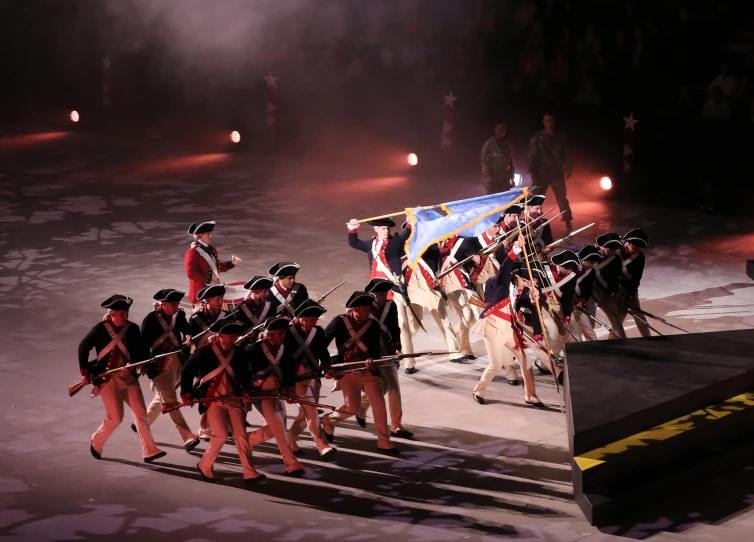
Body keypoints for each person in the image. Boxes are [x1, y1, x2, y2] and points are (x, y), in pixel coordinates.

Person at [78, 295, 166, 462]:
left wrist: (139, 363)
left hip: (128, 377)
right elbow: (83, 348)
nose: (125, 318)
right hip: (107, 379)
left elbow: (141, 351)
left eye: (126, 314)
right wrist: (84, 373)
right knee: (116, 417)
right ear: (112, 313)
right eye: (121, 314)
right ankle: (96, 440)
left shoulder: (132, 329)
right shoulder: (100, 329)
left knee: (141, 414)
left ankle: (150, 450)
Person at [180, 317, 264, 484]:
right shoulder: (204, 351)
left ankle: (249, 471)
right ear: (220, 336)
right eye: (231, 336)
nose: (235, 339)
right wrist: (186, 392)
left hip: (233, 399)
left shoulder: (239, 352)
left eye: (235, 336)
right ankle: (204, 464)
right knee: (221, 435)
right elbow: (187, 370)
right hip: (213, 400)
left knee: (241, 435)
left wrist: (247, 389)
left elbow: (245, 374)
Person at [322, 291, 399, 455]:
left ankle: (384, 442)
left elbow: (375, 350)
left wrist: (372, 360)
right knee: (352, 408)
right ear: (354, 309)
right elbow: (321, 344)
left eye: (368, 308)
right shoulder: (339, 322)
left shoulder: (373, 325)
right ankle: (328, 420)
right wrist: (327, 365)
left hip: (368, 372)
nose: (368, 312)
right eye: (365, 309)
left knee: (379, 404)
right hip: (348, 371)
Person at [472, 236, 544, 405]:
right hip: (492, 327)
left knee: (525, 361)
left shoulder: (523, 289)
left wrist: (535, 299)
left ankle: (530, 395)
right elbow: (505, 268)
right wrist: (516, 249)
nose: (525, 284)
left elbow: (534, 306)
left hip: (509, 328)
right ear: (515, 276)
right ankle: (479, 389)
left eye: (528, 281)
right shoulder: (502, 283)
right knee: (495, 365)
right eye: (523, 280)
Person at [347, 217, 415, 367]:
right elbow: (354, 242)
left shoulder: (395, 242)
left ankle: (409, 362)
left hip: (394, 289)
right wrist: (353, 228)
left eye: (388, 229)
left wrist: (410, 220)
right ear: (376, 229)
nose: (387, 231)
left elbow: (406, 234)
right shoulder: (370, 244)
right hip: (376, 290)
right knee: (373, 324)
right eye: (383, 228)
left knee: (401, 324)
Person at [139, 288, 200, 452]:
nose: (176, 306)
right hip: (159, 366)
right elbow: (143, 345)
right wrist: (144, 364)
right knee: (171, 399)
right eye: (173, 304)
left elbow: (187, 329)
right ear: (163, 304)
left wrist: (188, 336)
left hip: (177, 362)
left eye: (177, 303)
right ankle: (187, 437)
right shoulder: (150, 320)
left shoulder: (177, 315)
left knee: (163, 397)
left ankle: (142, 423)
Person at [246, 316, 307, 475]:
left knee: (278, 428)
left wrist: (289, 390)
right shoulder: (253, 350)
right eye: (280, 333)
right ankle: (291, 463)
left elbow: (289, 373)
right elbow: (244, 376)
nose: (283, 336)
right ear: (269, 334)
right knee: (279, 425)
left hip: (276, 393)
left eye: (284, 333)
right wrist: (256, 384)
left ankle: (249, 440)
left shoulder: (285, 348)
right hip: (260, 395)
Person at [357, 278, 414, 439]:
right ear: (371, 294)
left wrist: (398, 346)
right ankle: (362, 405)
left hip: (388, 351)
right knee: (381, 389)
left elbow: (395, 328)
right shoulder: (363, 308)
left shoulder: (391, 305)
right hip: (371, 354)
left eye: (383, 294)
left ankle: (396, 424)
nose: (381, 297)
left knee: (394, 388)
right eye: (378, 294)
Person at [285, 300, 337, 458]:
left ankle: (289, 440)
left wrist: (327, 366)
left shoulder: (317, 331)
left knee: (307, 413)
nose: (313, 323)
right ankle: (323, 446)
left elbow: (323, 352)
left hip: (313, 377)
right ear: (301, 318)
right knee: (312, 411)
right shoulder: (286, 332)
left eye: (315, 319)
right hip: (296, 379)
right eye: (311, 319)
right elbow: (283, 358)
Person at [186, 284, 228, 440]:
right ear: (208, 300)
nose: (220, 301)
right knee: (206, 394)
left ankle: (225, 424)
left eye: (221, 298)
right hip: (205, 361)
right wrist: (189, 339)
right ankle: (204, 428)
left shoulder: (227, 315)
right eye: (217, 299)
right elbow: (189, 334)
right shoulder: (196, 319)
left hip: (224, 359)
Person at [438, 235, 484, 361]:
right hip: (448, 283)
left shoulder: (464, 242)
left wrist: (477, 261)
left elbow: (473, 260)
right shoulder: (435, 243)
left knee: (477, 313)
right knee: (466, 312)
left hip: (465, 281)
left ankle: (457, 333)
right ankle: (465, 348)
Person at [529, 113, 574, 233]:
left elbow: (566, 153)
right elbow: (532, 156)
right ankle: (533, 226)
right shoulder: (538, 137)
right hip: (541, 174)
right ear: (544, 122)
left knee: (562, 199)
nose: (549, 123)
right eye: (547, 120)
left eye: (551, 120)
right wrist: (533, 173)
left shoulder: (560, 136)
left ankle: (568, 225)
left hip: (556, 173)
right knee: (536, 200)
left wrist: (568, 168)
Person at [184, 221, 239, 306]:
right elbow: (191, 273)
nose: (211, 236)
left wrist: (231, 263)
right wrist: (209, 281)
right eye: (208, 234)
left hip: (212, 290)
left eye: (211, 233)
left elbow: (216, 267)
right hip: (200, 294)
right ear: (199, 236)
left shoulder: (212, 249)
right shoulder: (192, 252)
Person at [590, 233, 627, 339]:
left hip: (605, 295)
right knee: (589, 324)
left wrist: (614, 293)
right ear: (604, 246)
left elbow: (615, 279)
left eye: (615, 249)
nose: (613, 252)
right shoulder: (589, 253)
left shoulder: (616, 260)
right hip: (589, 294)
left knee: (617, 323)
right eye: (611, 249)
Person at [617, 228, 651, 337]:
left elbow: (636, 278)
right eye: (634, 247)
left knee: (639, 316)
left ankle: (648, 339)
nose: (636, 250)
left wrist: (628, 295)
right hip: (613, 288)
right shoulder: (616, 251)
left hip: (629, 289)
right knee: (617, 321)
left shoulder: (640, 257)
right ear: (627, 243)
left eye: (639, 248)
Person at [543, 250, 581, 344]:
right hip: (542, 303)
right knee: (552, 330)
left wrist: (567, 316)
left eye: (571, 269)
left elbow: (568, 297)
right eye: (567, 269)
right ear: (560, 265)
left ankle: (555, 354)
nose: (569, 272)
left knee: (566, 331)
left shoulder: (572, 276)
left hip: (558, 304)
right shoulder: (544, 268)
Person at [230, 275, 273, 345]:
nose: (267, 294)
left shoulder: (270, 306)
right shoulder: (241, 309)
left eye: (268, 291)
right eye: (265, 291)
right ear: (256, 291)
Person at [571, 245, 600, 341]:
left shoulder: (590, 272)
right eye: (590, 263)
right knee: (575, 336)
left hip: (578, 306)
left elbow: (588, 289)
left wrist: (581, 301)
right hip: (565, 306)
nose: (591, 265)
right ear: (582, 260)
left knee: (589, 330)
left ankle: (596, 351)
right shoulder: (569, 268)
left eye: (594, 263)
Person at [480, 120, 515, 194]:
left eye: (503, 129)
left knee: (506, 203)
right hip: (493, 182)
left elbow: (511, 163)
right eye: (499, 128)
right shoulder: (489, 144)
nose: (502, 131)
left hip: (505, 181)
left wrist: (512, 178)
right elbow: (484, 164)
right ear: (494, 129)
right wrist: (488, 180)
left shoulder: (507, 145)